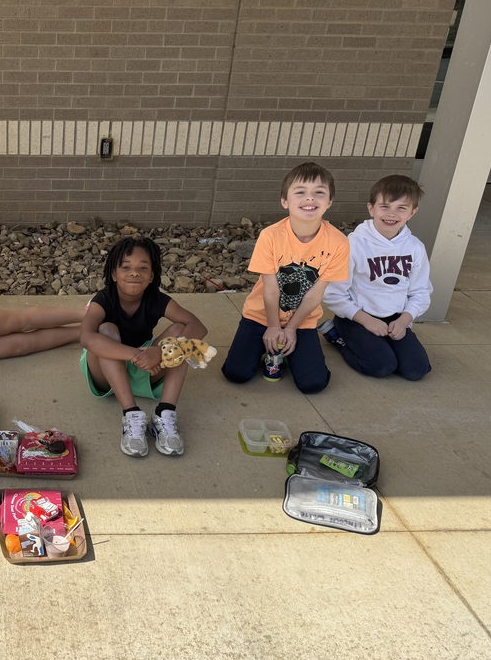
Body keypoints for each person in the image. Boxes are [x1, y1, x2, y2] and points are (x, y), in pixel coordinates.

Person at [221, 161, 350, 393]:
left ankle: (292, 352)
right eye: (300, 192)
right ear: (285, 201)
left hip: (303, 320)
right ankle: (270, 347)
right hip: (261, 316)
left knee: (314, 384)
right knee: (236, 374)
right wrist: (273, 326)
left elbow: (314, 295)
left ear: (329, 201)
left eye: (319, 193)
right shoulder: (271, 236)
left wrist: (290, 328)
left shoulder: (339, 242)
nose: (310, 199)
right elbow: (271, 289)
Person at [80, 236, 207, 457]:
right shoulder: (103, 299)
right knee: (106, 331)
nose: (134, 273)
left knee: (182, 335)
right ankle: (131, 414)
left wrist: (161, 352)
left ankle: (164, 414)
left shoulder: (156, 299)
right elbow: (86, 337)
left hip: (148, 369)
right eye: (126, 267)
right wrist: (136, 355)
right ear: (113, 274)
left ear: (151, 276)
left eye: (143, 268)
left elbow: (198, 326)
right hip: (107, 372)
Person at [321, 175, 432, 380]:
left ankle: (383, 343)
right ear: (371, 208)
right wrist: (366, 321)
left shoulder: (415, 248)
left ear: (413, 212)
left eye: (401, 208)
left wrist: (404, 321)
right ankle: (337, 336)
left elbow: (421, 292)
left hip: (395, 319)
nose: (392, 214)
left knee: (417, 370)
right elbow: (333, 293)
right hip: (356, 317)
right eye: (385, 206)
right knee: (381, 366)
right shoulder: (354, 245)